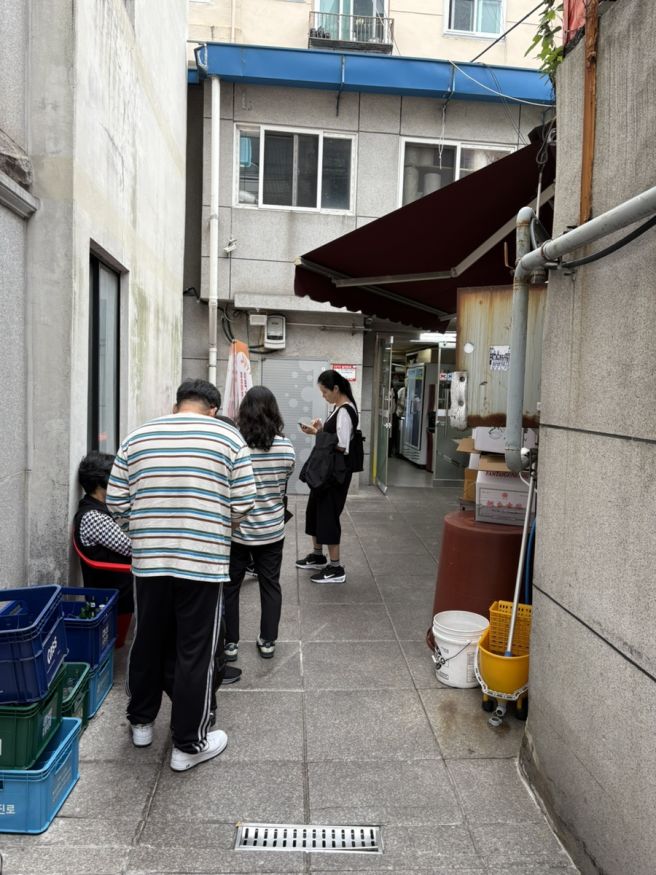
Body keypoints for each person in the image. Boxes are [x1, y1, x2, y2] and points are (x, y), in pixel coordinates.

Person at [106, 379, 256, 772]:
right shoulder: (228, 438)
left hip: (150, 563)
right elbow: (245, 500)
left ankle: (141, 722)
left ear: (176, 406)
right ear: (212, 408)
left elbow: (117, 501)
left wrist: (143, 534)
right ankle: (188, 744)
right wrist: (221, 529)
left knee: (147, 640)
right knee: (196, 652)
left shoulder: (137, 436)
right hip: (203, 563)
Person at [223, 386, 295, 662]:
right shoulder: (285, 447)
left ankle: (230, 644)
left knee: (230, 587)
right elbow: (283, 483)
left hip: (237, 530)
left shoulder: (234, 446)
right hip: (272, 530)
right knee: (270, 585)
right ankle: (268, 641)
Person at [296, 369, 359, 584]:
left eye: (325, 392)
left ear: (336, 388)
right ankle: (317, 555)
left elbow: (342, 445)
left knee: (328, 516)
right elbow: (334, 438)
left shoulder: (345, 411)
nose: (323, 396)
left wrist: (318, 434)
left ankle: (335, 568)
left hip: (335, 474)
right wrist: (321, 430)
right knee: (314, 511)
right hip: (327, 472)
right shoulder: (337, 408)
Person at [73, 451, 134, 647]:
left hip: (120, 586)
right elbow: (133, 548)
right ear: (101, 482)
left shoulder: (100, 507)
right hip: (116, 590)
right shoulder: (93, 516)